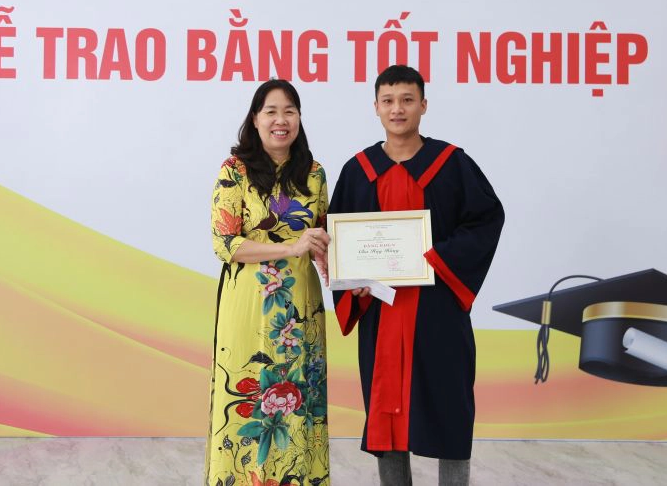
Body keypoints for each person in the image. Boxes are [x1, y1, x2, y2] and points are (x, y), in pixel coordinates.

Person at [330, 65, 504, 486]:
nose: (398, 109)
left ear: (423, 105)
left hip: (437, 309)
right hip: (381, 310)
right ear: (375, 107)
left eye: (407, 100)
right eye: (388, 101)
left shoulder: (452, 164)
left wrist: (432, 257)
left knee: (450, 412)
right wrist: (349, 276)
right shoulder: (358, 170)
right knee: (385, 416)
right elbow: (339, 238)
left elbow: (486, 219)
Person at [206, 79, 331, 486]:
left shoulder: (314, 174)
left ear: (299, 118)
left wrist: (342, 260)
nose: (281, 120)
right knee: (249, 400)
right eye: (271, 111)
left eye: (289, 111)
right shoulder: (235, 171)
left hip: (301, 304)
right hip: (248, 303)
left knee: (301, 400)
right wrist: (290, 248)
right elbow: (225, 243)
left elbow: (324, 236)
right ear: (256, 119)